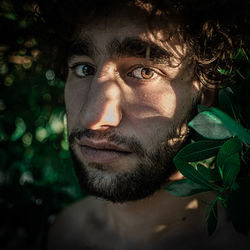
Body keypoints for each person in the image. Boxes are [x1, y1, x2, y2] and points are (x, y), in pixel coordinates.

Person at [37, 0, 250, 249]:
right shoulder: (67, 232)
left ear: (204, 94)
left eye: (144, 72)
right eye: (84, 69)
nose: (93, 118)